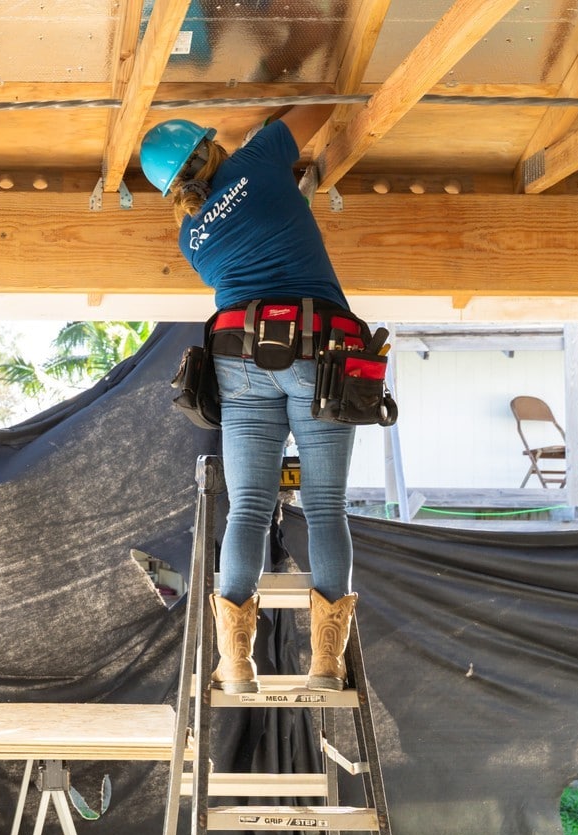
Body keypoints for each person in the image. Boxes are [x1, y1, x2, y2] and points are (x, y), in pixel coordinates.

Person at [139, 106, 358, 693]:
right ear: (210, 146)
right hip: (320, 351)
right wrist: (270, 124)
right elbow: (321, 106)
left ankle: (236, 666)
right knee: (326, 504)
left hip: (240, 360)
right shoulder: (259, 162)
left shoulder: (192, 237)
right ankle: (325, 666)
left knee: (249, 509)